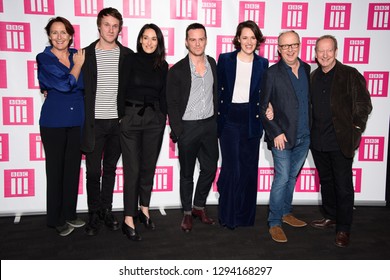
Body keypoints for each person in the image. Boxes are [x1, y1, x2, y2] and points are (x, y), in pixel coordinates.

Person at [309, 35, 372, 247]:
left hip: (340, 141)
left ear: (336, 51)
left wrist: (356, 129)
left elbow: (364, 104)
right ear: (316, 53)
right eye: (320, 51)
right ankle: (331, 216)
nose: (324, 55)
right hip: (317, 141)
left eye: (329, 50)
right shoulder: (313, 76)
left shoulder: (350, 74)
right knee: (326, 182)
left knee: (343, 186)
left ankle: (343, 228)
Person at [81, 7, 133, 236]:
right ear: (99, 26)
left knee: (110, 169)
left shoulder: (128, 55)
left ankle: (106, 210)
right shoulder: (85, 54)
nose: (111, 29)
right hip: (93, 123)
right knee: (93, 171)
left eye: (115, 26)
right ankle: (93, 213)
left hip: (117, 123)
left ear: (119, 29)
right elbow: (71, 80)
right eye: (106, 25)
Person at [216, 20, 269, 229]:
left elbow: (266, 92)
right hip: (229, 119)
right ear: (238, 39)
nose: (249, 42)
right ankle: (227, 216)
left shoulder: (263, 64)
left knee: (248, 170)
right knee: (230, 168)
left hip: (251, 119)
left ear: (258, 41)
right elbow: (218, 89)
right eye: (245, 37)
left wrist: (270, 107)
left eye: (253, 38)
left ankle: (245, 217)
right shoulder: (225, 59)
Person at [166, 23, 218, 232]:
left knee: (210, 168)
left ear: (206, 40)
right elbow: (172, 103)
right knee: (187, 174)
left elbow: (216, 93)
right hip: (188, 128)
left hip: (209, 126)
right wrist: (179, 131)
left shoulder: (213, 63)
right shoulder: (177, 70)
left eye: (201, 39)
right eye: (193, 39)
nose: (197, 43)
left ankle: (199, 206)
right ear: (186, 42)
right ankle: (187, 213)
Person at [37, 16, 85, 236]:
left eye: (63, 32)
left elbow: (86, 85)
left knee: (72, 170)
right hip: (54, 122)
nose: (59, 37)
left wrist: (77, 68)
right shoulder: (44, 58)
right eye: (54, 32)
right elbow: (66, 85)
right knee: (55, 171)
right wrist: (76, 68)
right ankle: (55, 219)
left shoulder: (78, 54)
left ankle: (69, 213)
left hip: (77, 121)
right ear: (49, 35)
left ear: (70, 35)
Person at [260, 30, 311, 243]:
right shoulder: (272, 73)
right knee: (281, 178)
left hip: (305, 136)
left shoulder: (308, 69)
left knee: (292, 177)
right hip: (282, 137)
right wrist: (275, 132)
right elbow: (263, 107)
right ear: (278, 49)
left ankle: (286, 212)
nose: (290, 50)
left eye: (294, 45)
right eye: (285, 46)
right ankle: (274, 222)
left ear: (299, 46)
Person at [119, 23, 168, 241]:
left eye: (154, 39)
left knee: (148, 167)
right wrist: (121, 116)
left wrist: (163, 117)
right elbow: (120, 88)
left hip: (154, 120)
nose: (149, 42)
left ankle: (144, 209)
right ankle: (128, 217)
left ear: (159, 42)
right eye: (145, 38)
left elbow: (164, 95)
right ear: (140, 40)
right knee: (133, 169)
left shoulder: (163, 65)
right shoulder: (130, 59)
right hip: (130, 118)